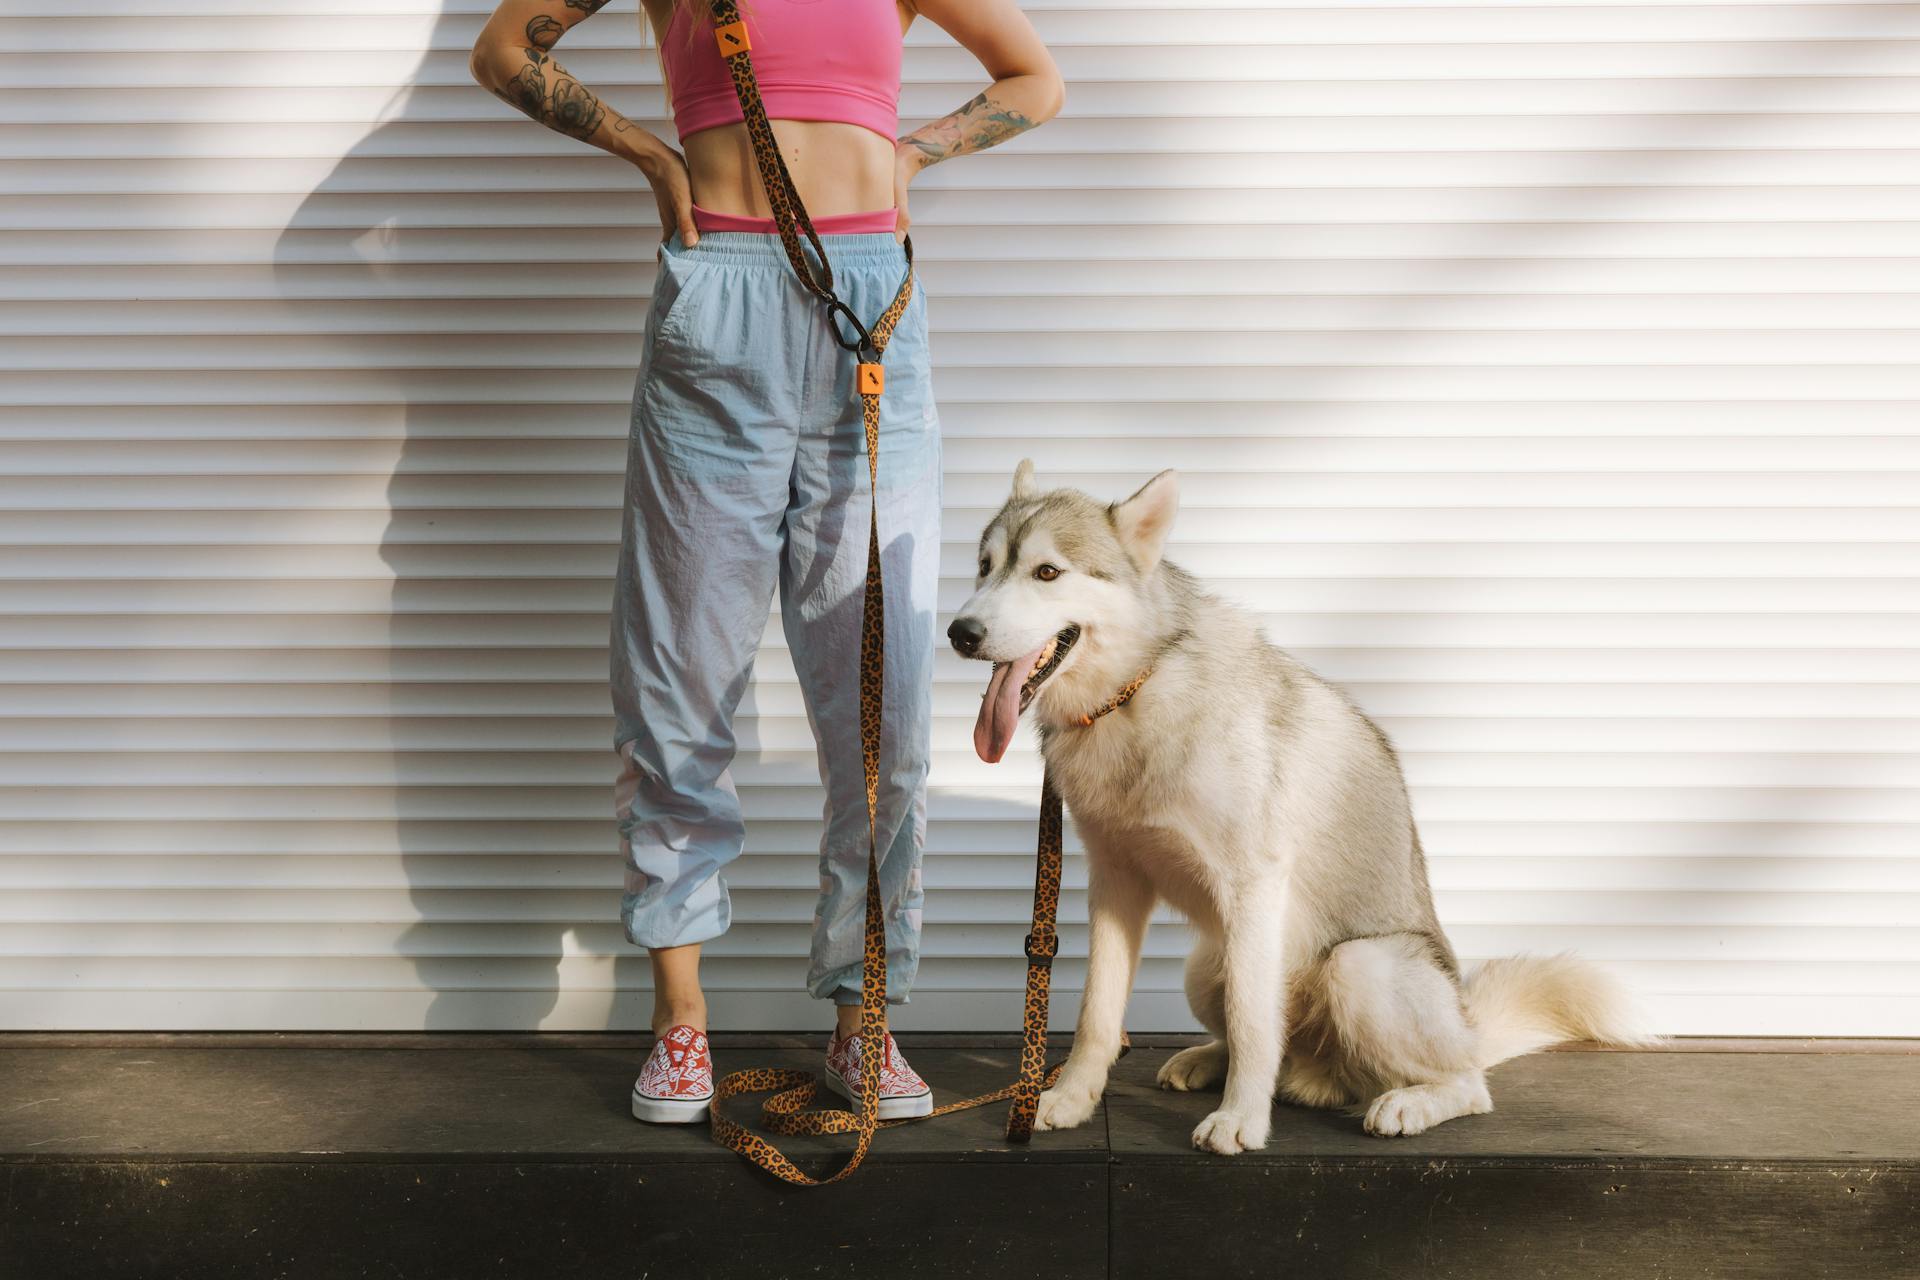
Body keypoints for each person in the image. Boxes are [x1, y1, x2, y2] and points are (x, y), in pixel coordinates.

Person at [469, 0, 1065, 1122]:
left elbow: (1034, 77)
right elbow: (504, 48)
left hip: (868, 303)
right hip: (719, 304)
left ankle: (862, 1017)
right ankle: (680, 1023)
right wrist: (650, 153)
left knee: (878, 713)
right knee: (678, 687)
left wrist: (915, 151)